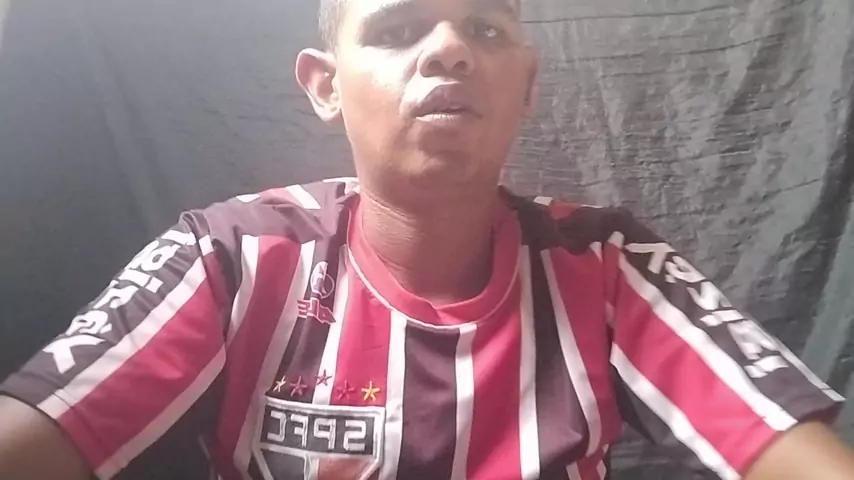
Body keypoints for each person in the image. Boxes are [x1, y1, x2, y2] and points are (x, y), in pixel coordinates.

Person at [1, 0, 853, 478]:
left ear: (527, 87)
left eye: (486, 30)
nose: (449, 49)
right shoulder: (228, 259)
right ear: (325, 86)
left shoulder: (606, 268)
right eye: (398, 29)